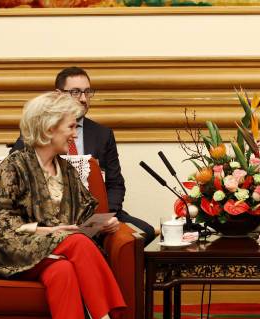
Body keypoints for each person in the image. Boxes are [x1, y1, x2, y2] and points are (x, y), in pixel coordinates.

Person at [0, 92, 138, 319]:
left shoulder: (66, 170)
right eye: (70, 126)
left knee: (65, 271)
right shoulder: (14, 167)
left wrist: (102, 223)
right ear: (48, 128)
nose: (74, 133)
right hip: (19, 254)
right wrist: (47, 230)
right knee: (77, 244)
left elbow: (81, 218)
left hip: (58, 256)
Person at [11, 66, 155, 245]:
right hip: (52, 216)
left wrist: (102, 217)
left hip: (95, 213)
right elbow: (17, 185)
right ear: (58, 94)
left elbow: (115, 184)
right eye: (76, 92)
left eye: (87, 92)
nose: (83, 99)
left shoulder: (103, 134)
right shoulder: (37, 135)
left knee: (145, 232)